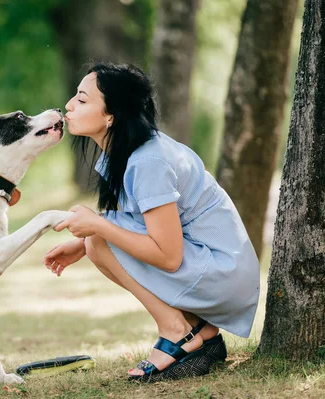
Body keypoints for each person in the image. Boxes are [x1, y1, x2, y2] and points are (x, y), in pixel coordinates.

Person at [44, 62, 260, 382]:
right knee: (96, 240)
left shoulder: (148, 161)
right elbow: (136, 222)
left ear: (111, 115)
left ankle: (177, 332)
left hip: (222, 272)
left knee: (100, 238)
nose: (69, 106)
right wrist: (84, 240)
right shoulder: (130, 153)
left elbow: (168, 256)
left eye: (82, 99)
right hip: (211, 264)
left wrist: (98, 228)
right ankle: (200, 331)